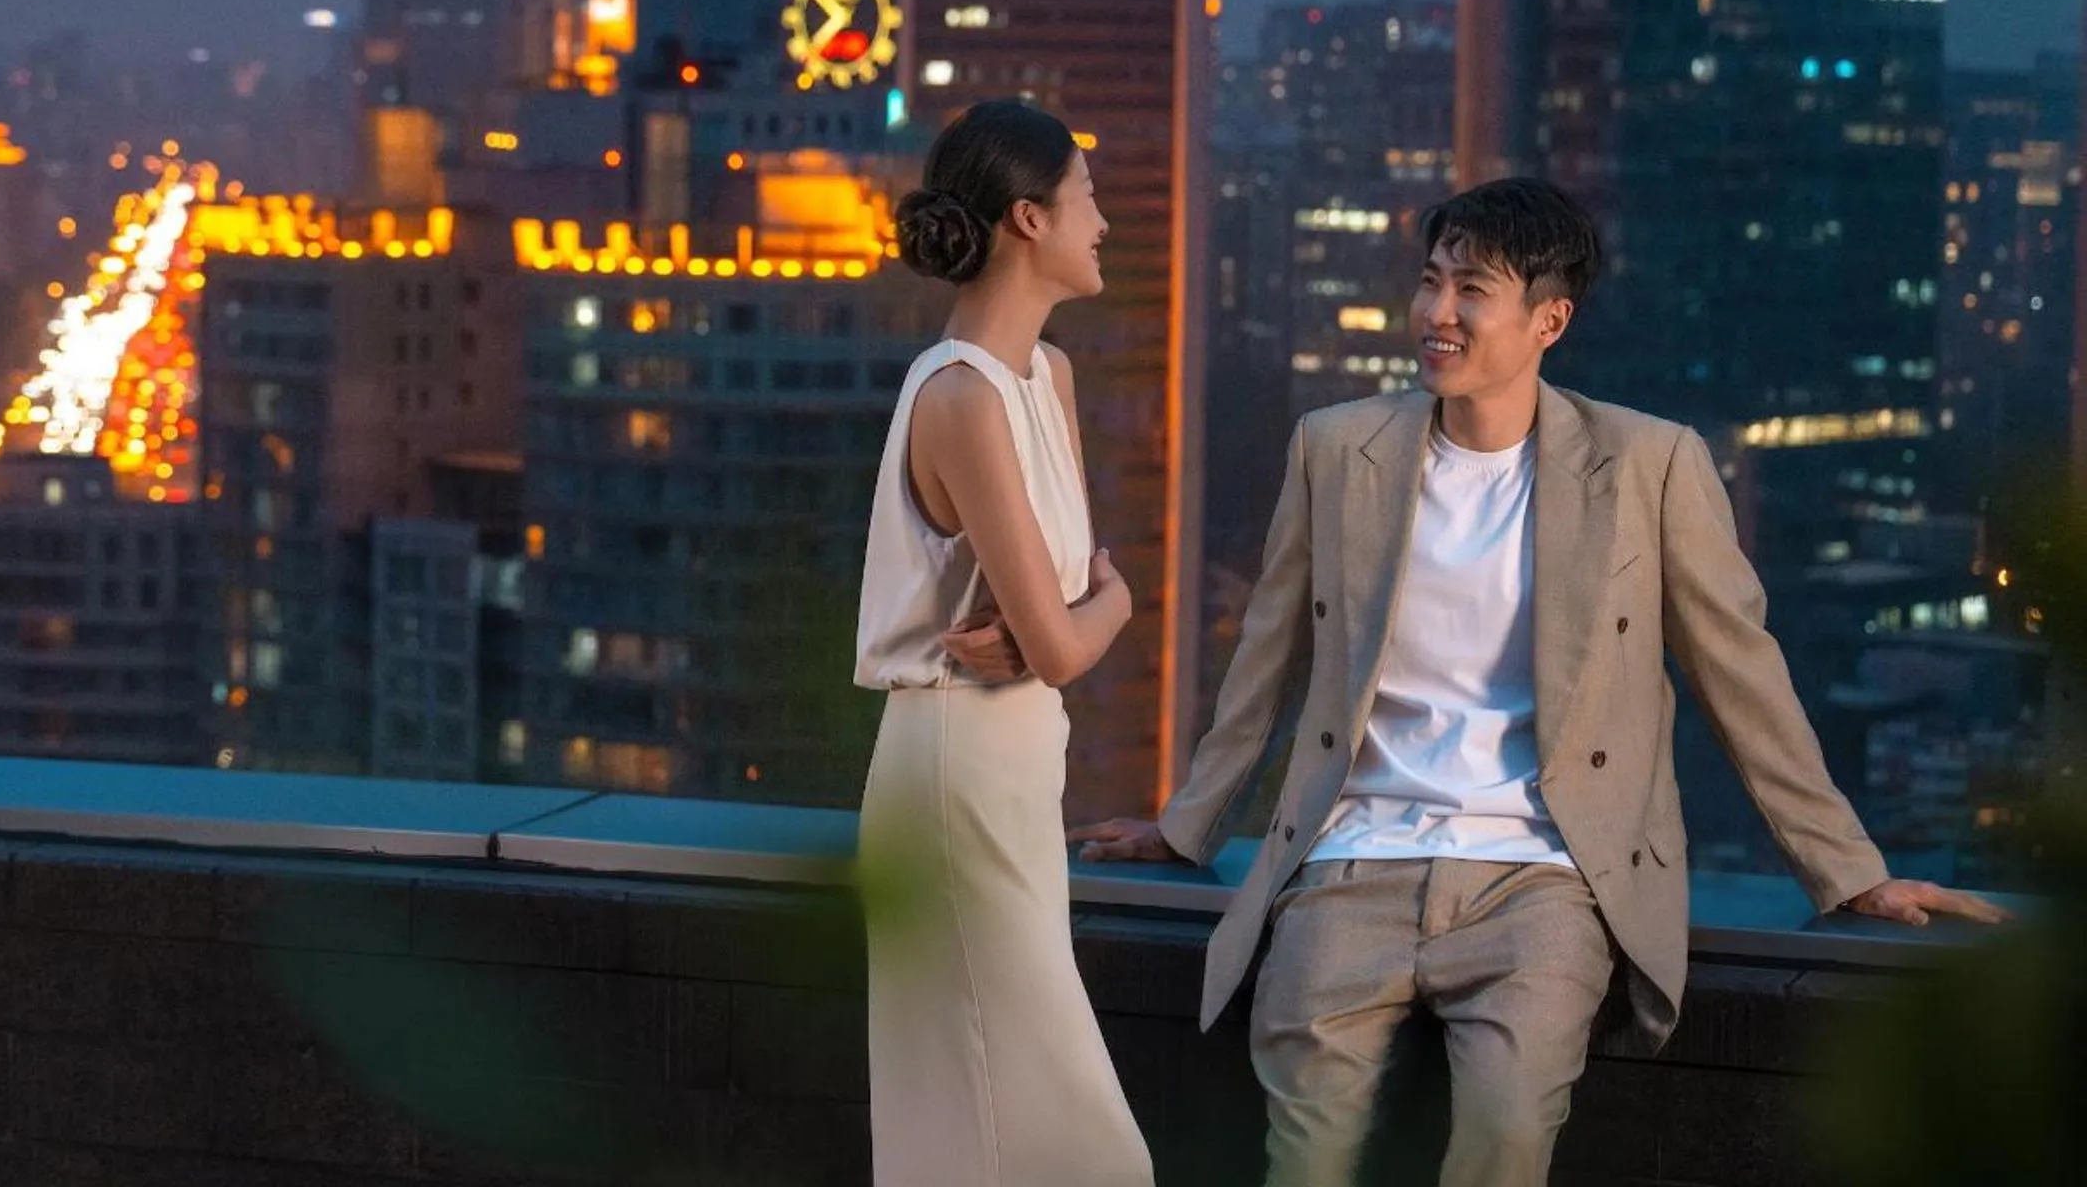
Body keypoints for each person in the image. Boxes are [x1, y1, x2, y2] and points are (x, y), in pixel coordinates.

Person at [1068, 176, 2009, 1187]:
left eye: (1472, 291)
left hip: (1546, 878)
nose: (1436, 313)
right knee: (1306, 1157)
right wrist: (1189, 823)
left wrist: (1847, 867)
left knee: (1507, 1140)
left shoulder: (1650, 465)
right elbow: (1268, 655)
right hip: (1352, 861)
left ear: (1548, 320)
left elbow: (1741, 674)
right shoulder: (1338, 449)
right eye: (1430, 282)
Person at [854, 98, 1157, 1187]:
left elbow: (1059, 613)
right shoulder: (960, 398)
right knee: (1077, 1148)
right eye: (1086, 200)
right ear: (1028, 219)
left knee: (988, 1129)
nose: (1104, 223)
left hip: (1023, 770)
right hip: (953, 774)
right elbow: (1075, 628)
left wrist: (1074, 618)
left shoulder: (1048, 378)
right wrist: (1104, 608)